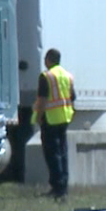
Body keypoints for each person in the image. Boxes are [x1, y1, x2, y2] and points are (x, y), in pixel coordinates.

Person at [31, 47, 75, 199]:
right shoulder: (68, 76)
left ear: (49, 60)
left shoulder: (46, 76)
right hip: (64, 118)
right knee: (62, 153)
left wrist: (39, 116)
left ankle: (57, 188)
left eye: (45, 59)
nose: (44, 62)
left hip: (50, 119)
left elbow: (42, 99)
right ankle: (63, 186)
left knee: (52, 154)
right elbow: (72, 97)